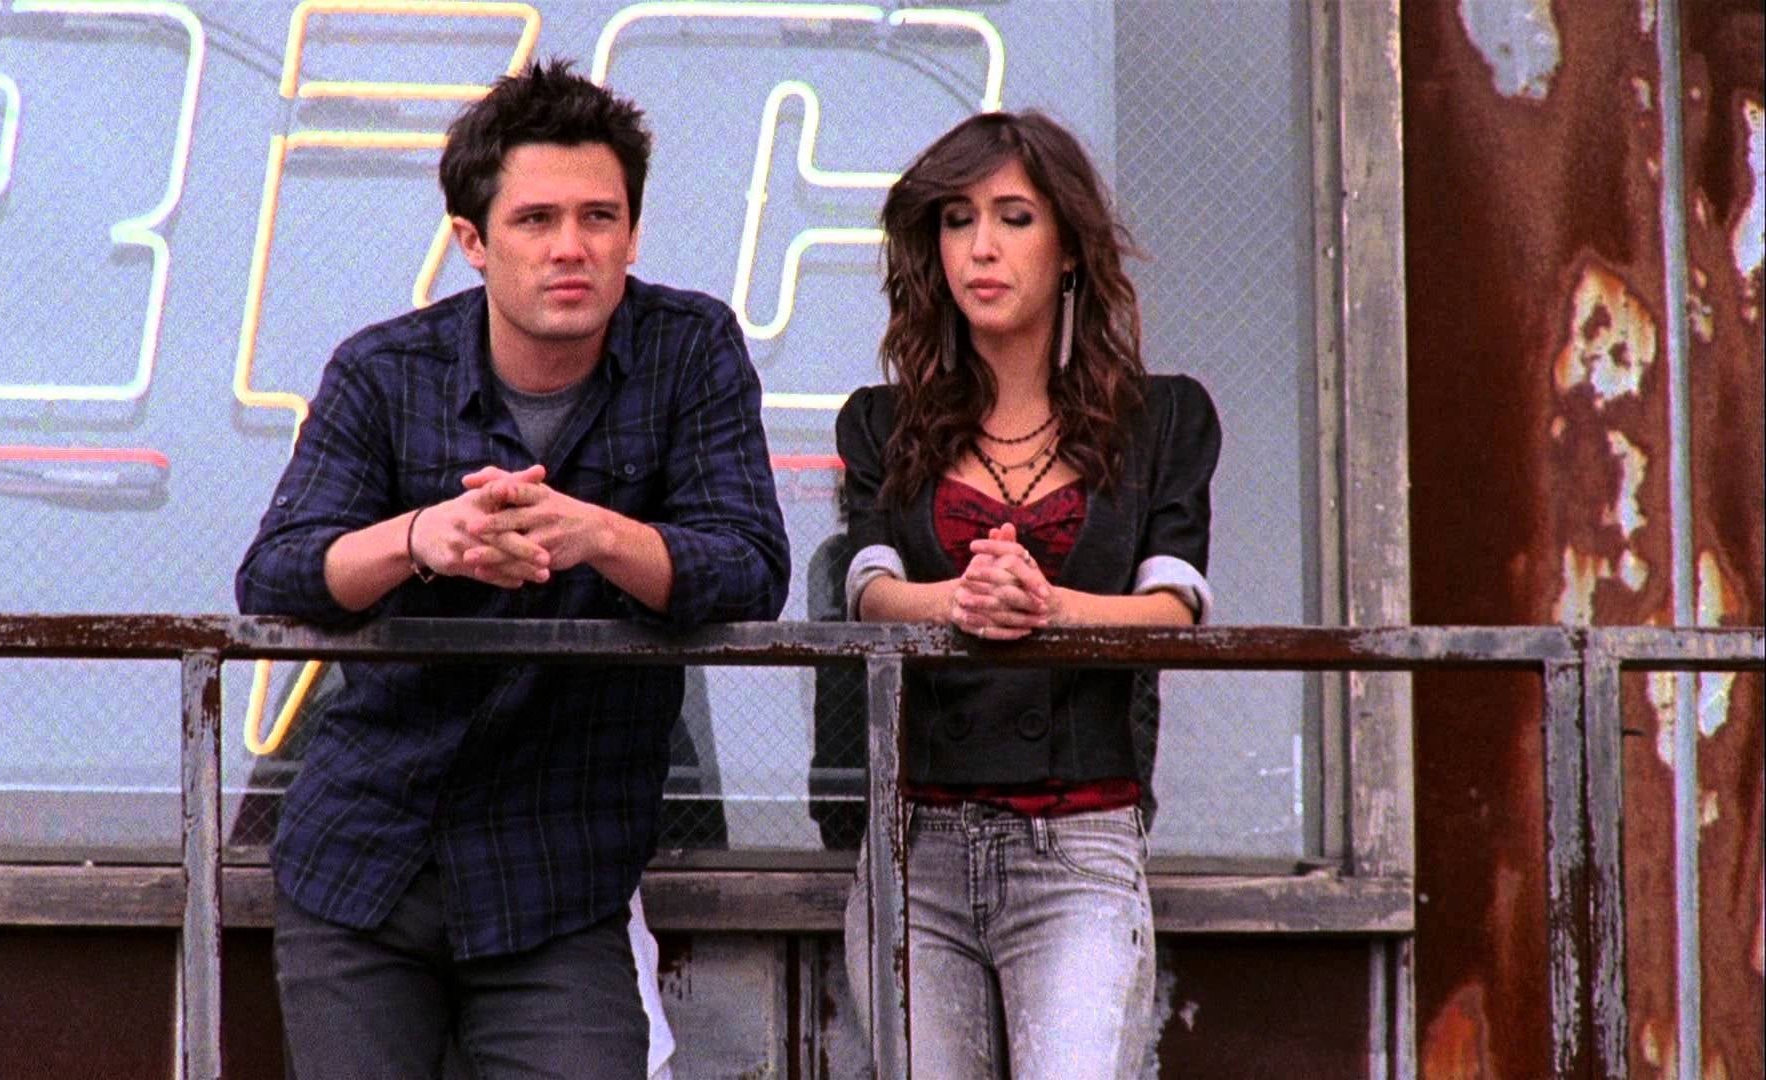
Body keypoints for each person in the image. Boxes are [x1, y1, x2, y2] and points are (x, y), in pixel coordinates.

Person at [235, 59, 790, 1079]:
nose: (571, 247)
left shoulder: (690, 349)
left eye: (599, 217)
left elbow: (750, 567)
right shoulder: (384, 370)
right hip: (367, 857)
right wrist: (421, 538)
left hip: (558, 870)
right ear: (472, 241)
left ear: (633, 232)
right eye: (536, 219)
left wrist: (598, 534)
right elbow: (276, 576)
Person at [837, 110, 1220, 1078]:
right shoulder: (882, 422)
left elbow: (1175, 610)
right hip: (914, 848)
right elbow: (871, 591)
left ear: (1070, 247)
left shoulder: (1162, 418)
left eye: (1014, 217)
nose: (982, 247)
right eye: (957, 220)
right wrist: (958, 602)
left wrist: (1051, 608)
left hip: (1081, 843)